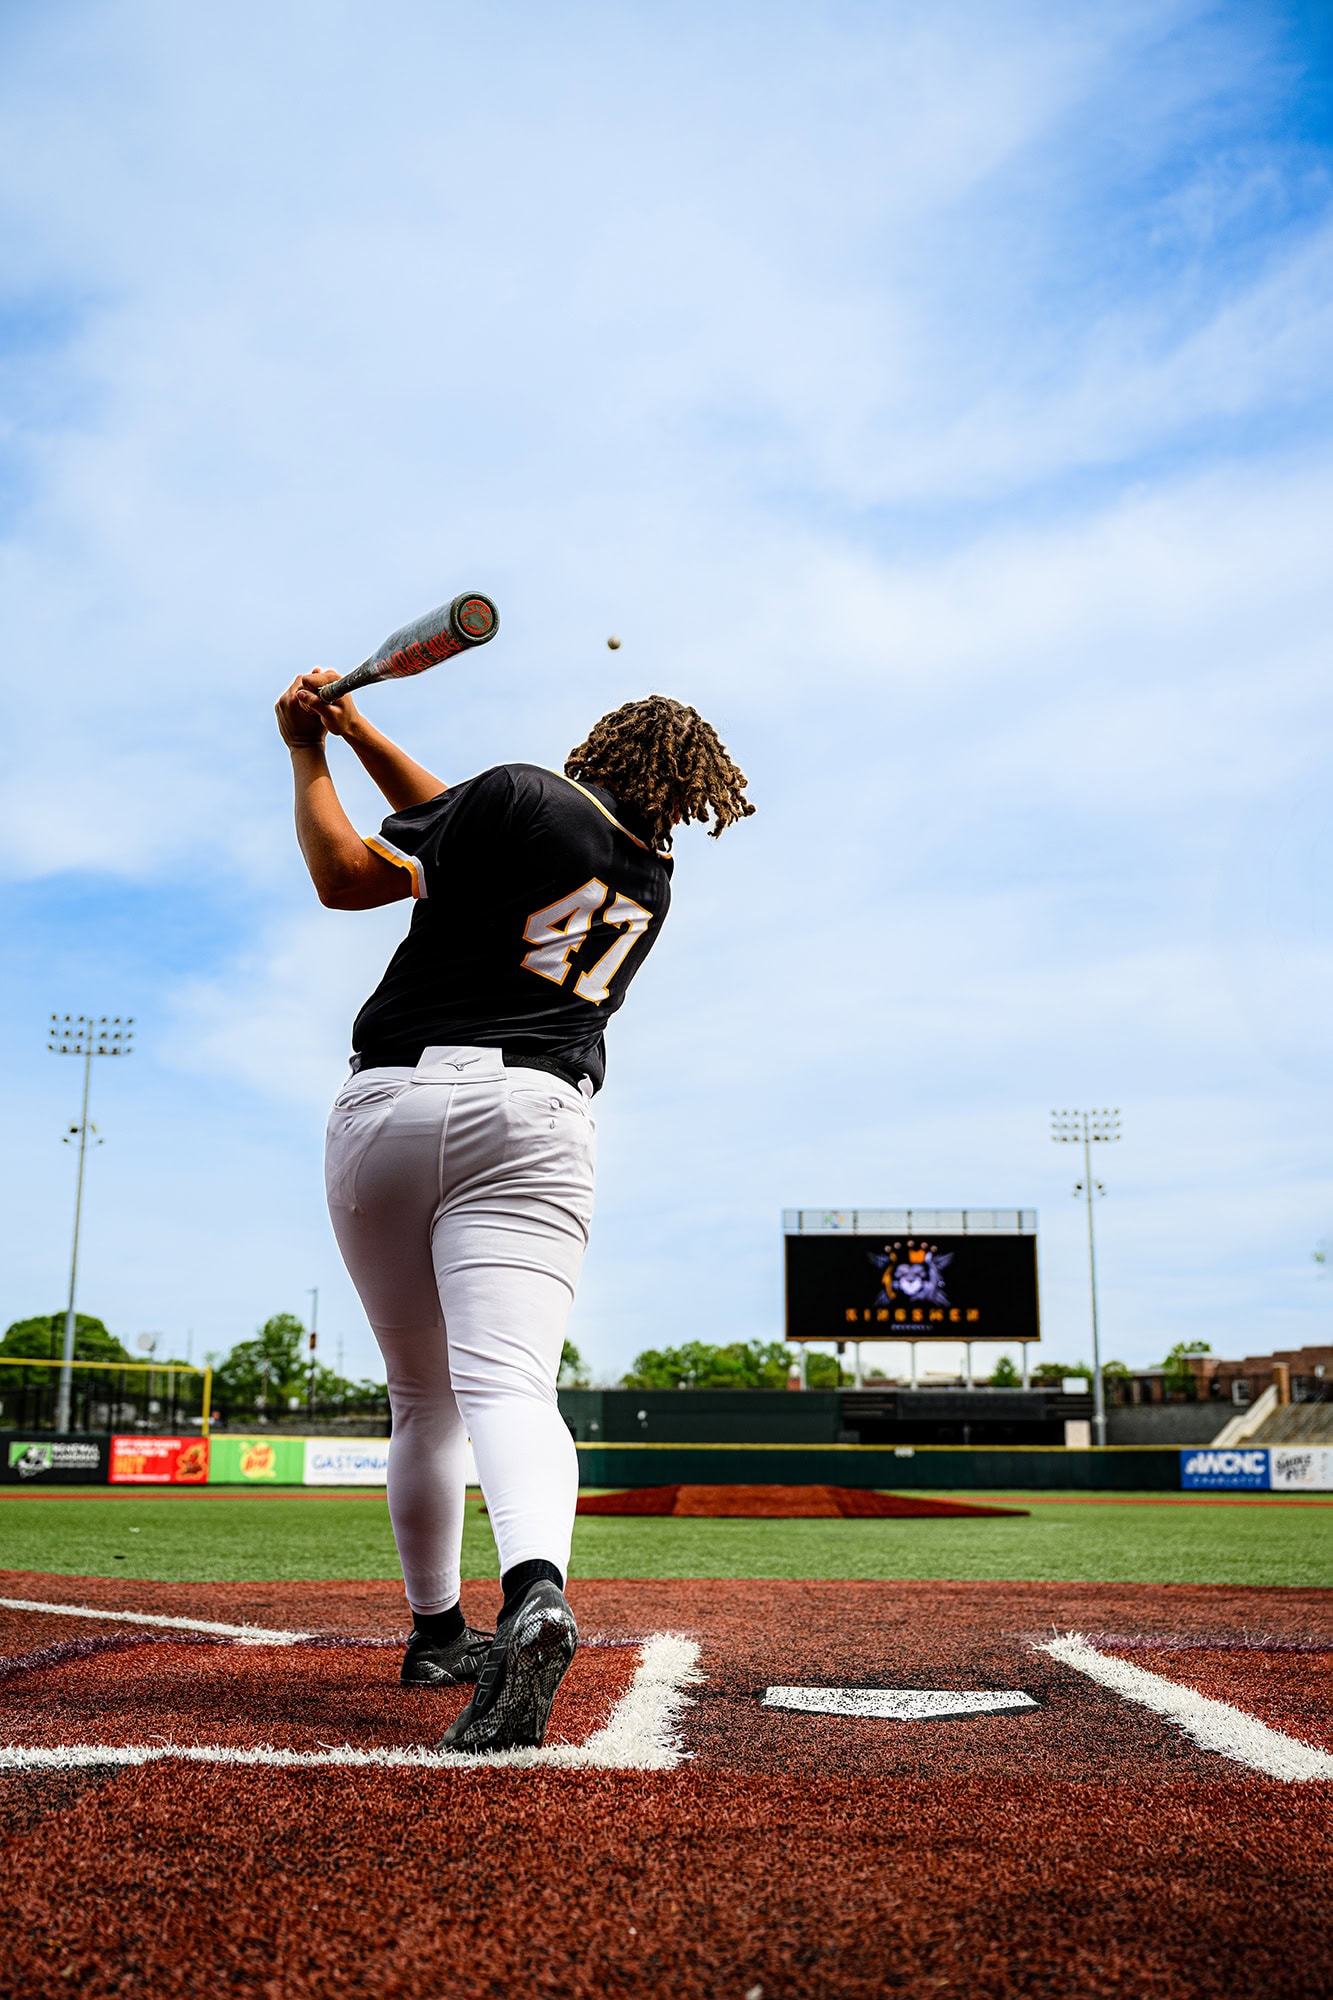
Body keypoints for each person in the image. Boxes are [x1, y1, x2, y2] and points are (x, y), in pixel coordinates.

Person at [274, 670, 754, 1751]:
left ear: (598, 746)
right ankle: (534, 1587)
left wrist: (305, 753)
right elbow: (463, 816)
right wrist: (354, 725)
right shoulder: (649, 870)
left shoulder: (520, 796)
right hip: (537, 1117)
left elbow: (348, 878)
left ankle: (437, 1629)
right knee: (511, 1384)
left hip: (391, 1104)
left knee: (423, 1399)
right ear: (684, 790)